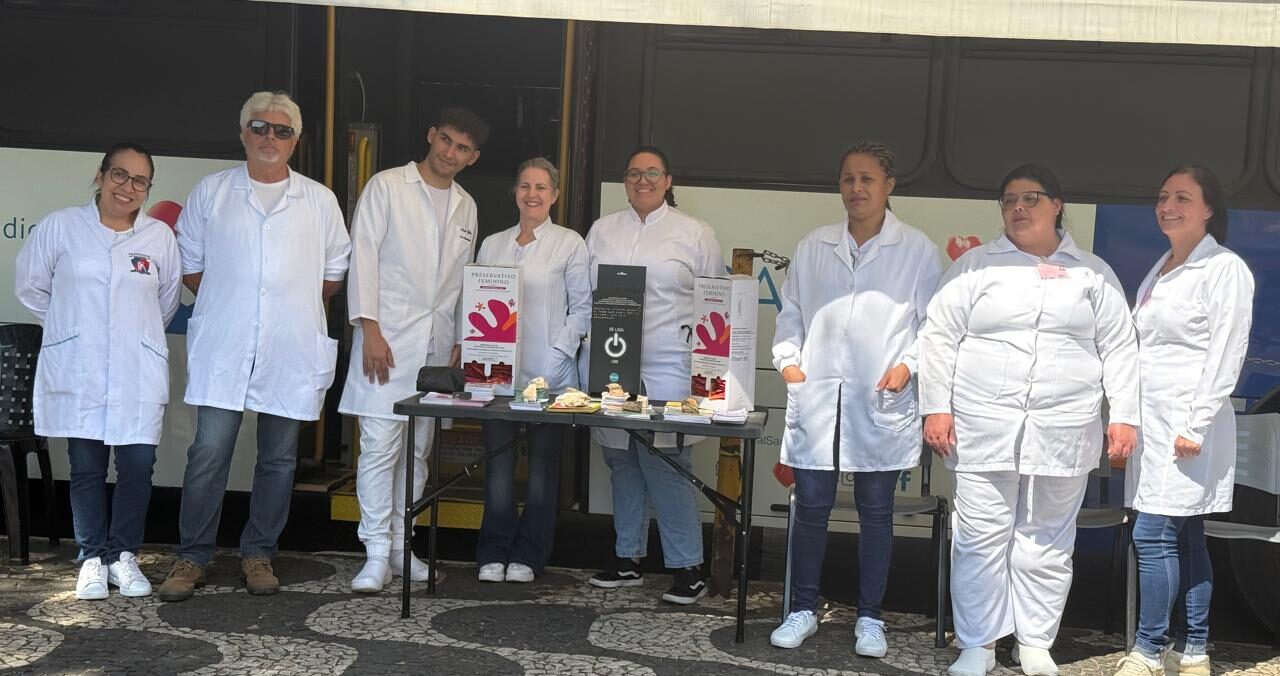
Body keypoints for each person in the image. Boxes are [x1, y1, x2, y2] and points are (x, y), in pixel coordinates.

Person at [919, 163, 1139, 676]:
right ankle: (978, 643)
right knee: (980, 537)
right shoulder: (976, 266)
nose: (1018, 208)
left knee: (1047, 539)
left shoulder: (1092, 272)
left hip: (1064, 429)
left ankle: (1035, 641)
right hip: (982, 426)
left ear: (1057, 205)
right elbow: (938, 336)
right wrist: (936, 406)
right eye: (1009, 200)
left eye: (1031, 198)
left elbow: (1120, 346)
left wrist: (1124, 416)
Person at [158, 91, 351, 602]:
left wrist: (282, 304)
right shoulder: (213, 192)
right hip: (226, 343)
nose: (270, 137)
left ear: (295, 141)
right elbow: (190, 264)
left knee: (279, 459)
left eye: (282, 130)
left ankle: (259, 552)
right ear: (243, 132)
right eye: (260, 127)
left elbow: (333, 274)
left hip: (289, 346)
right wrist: (238, 303)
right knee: (209, 452)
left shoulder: (319, 200)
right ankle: (192, 556)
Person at [769, 142, 942, 654]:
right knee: (811, 507)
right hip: (818, 394)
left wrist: (908, 364)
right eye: (848, 179)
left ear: (889, 186)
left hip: (880, 397)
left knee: (875, 511)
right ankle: (802, 608)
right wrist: (789, 363)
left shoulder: (916, 249)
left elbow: (933, 324)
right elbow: (791, 311)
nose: (856, 188)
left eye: (867, 179)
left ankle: (870, 617)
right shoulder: (814, 245)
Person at [15, 143, 181, 600]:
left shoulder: (158, 238)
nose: (128, 187)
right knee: (86, 465)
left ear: (148, 188)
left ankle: (123, 555)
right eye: (119, 174)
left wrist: (127, 334)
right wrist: (74, 328)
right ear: (101, 175)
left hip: (136, 369)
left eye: (140, 180)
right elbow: (30, 286)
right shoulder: (61, 227)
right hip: (81, 366)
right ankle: (91, 557)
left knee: (137, 466)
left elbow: (165, 302)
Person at [339, 107, 488, 593]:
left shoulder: (466, 205)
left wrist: (463, 337)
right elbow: (363, 257)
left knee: (418, 451)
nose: (450, 152)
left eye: (462, 148)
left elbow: (463, 279)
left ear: (472, 158)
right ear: (431, 135)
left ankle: (403, 547)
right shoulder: (387, 186)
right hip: (386, 338)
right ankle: (375, 552)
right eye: (445, 140)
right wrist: (370, 328)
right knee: (380, 446)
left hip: (436, 346)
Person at [1113, 166, 1254, 676]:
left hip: (1188, 424)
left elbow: (1227, 351)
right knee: (1187, 535)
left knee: (1152, 535)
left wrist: (1195, 425)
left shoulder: (1224, 268)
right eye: (1162, 197)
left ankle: (1148, 650)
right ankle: (1193, 651)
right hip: (1154, 423)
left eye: (1182, 198)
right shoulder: (1164, 266)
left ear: (1209, 209)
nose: (1167, 206)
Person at [583, 146, 725, 604]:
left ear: (668, 180)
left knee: (666, 462)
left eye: (651, 173)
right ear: (624, 181)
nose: (642, 181)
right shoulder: (603, 230)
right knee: (620, 460)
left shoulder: (695, 233)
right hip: (611, 361)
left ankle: (688, 567)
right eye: (633, 173)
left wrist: (711, 375)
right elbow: (586, 294)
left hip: (669, 364)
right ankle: (627, 558)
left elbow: (713, 304)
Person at [472, 158, 591, 584]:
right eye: (525, 186)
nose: (532, 194)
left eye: (541, 187)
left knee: (542, 470)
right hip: (497, 377)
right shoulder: (492, 245)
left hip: (549, 375)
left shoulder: (569, 243)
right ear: (515, 192)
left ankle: (529, 555)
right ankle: (493, 552)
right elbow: (476, 304)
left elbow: (583, 310)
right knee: (499, 467)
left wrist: (558, 357)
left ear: (554, 195)